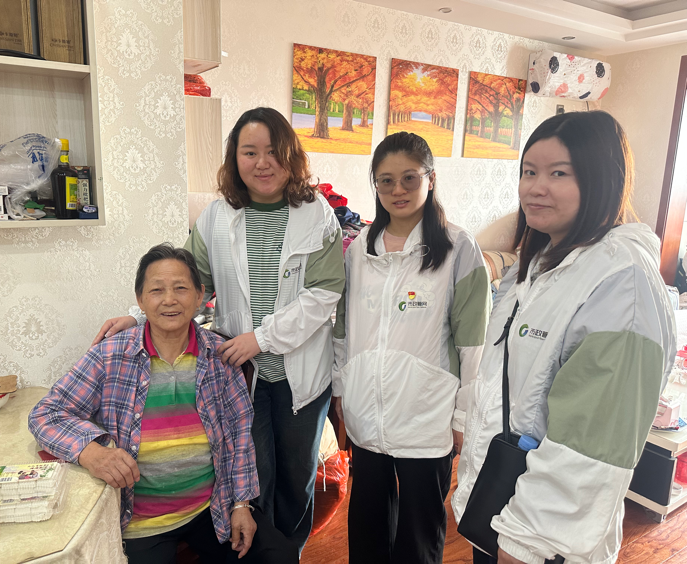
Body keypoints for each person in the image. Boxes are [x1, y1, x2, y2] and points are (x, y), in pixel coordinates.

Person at [92, 107, 345, 554]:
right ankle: (261, 555)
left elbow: (324, 294)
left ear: (291, 155)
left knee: (298, 477)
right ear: (235, 158)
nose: (262, 162)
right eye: (250, 152)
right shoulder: (216, 217)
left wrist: (260, 339)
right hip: (242, 374)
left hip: (302, 375)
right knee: (253, 476)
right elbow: (187, 285)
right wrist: (139, 317)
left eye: (273, 151)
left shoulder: (318, 215)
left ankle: (289, 554)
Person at [452, 111, 676, 564]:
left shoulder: (622, 285)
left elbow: (591, 447)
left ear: (602, 179)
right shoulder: (538, 265)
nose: (535, 188)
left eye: (558, 173)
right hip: (502, 509)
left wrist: (525, 543)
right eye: (529, 172)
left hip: (543, 539)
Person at [30, 244, 297, 564]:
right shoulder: (110, 355)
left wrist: (241, 504)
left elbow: (240, 432)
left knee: (279, 556)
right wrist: (92, 452)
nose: (169, 299)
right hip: (141, 520)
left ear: (199, 296)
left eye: (180, 288)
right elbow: (46, 414)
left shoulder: (220, 356)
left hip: (211, 508)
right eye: (157, 290)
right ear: (141, 300)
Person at [332, 131, 491, 564]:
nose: (397, 190)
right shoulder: (359, 250)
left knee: (419, 536)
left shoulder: (458, 248)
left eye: (409, 178)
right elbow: (343, 329)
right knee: (366, 528)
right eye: (386, 181)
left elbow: (473, 343)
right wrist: (342, 390)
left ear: (430, 179)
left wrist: (463, 415)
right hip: (367, 412)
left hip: (426, 414)